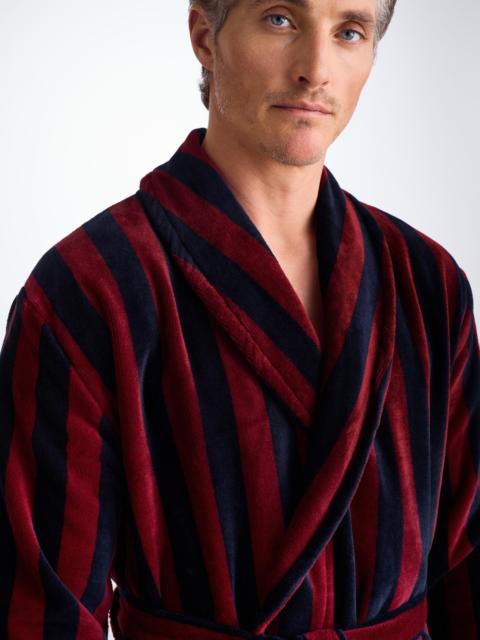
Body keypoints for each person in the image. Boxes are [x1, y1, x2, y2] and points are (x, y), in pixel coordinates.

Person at [0, 1, 478, 638]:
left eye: (349, 32)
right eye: (281, 19)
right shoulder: (88, 289)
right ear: (205, 34)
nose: (316, 69)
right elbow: (41, 611)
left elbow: (469, 567)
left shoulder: (427, 282)